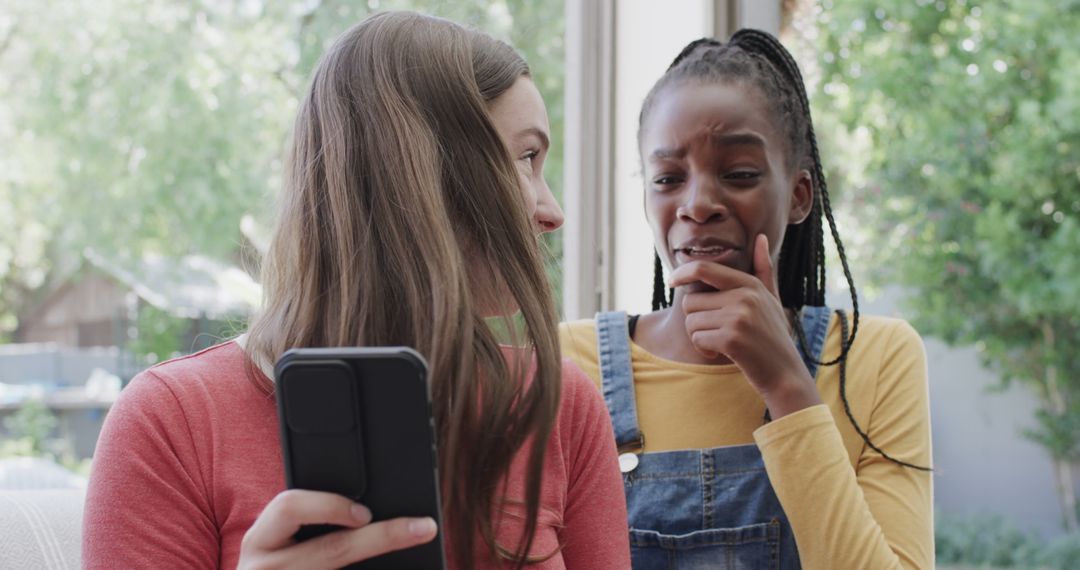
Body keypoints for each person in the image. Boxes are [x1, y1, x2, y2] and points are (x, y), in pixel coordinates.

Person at [84, 11, 630, 569]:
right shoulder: (171, 425)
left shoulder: (560, 407)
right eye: (525, 158)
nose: (553, 212)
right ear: (416, 174)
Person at [560, 30, 933, 569]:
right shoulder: (569, 364)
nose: (699, 203)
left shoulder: (874, 360)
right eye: (667, 178)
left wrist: (787, 383)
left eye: (738, 174)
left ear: (799, 195)